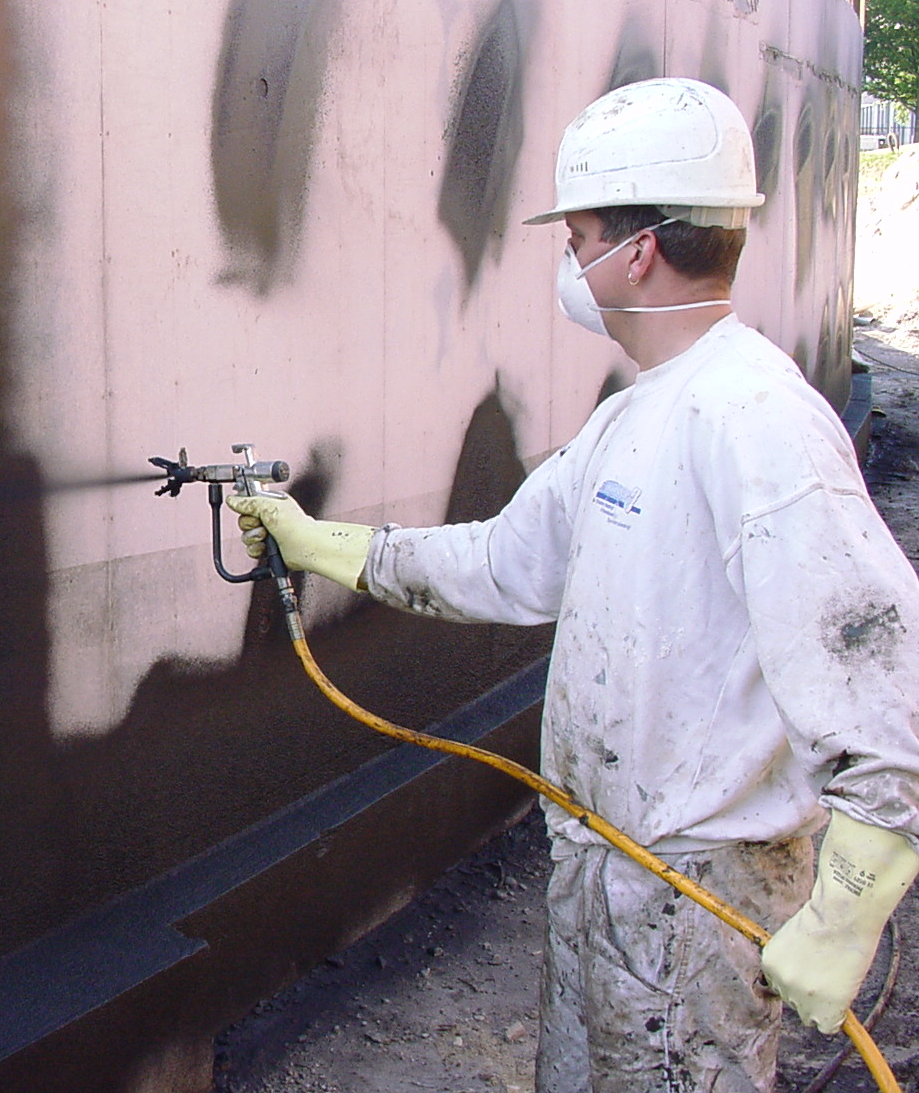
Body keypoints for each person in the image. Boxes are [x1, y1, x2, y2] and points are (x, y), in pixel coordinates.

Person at [229, 78, 919, 1093]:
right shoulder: (635, 418)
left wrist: (842, 918)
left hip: (698, 892)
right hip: (603, 863)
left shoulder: (757, 420)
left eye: (578, 237)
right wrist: (314, 541)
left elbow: (876, 670)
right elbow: (501, 564)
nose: (569, 261)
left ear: (637, 252)